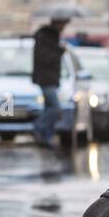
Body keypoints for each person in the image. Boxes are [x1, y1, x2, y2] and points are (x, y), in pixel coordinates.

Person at [30, 16, 67, 148]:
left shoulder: (51, 36)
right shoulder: (45, 37)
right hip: (46, 79)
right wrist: (59, 51)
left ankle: (47, 137)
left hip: (50, 78)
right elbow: (45, 58)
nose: (64, 27)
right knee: (56, 109)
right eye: (63, 24)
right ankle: (38, 127)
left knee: (49, 107)